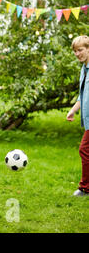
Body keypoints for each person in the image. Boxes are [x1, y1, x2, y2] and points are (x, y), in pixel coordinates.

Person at [66, 35, 89, 197]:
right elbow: (82, 96)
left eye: (80, 50)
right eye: (75, 51)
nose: (77, 54)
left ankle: (85, 188)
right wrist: (73, 110)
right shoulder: (84, 69)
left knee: (84, 149)